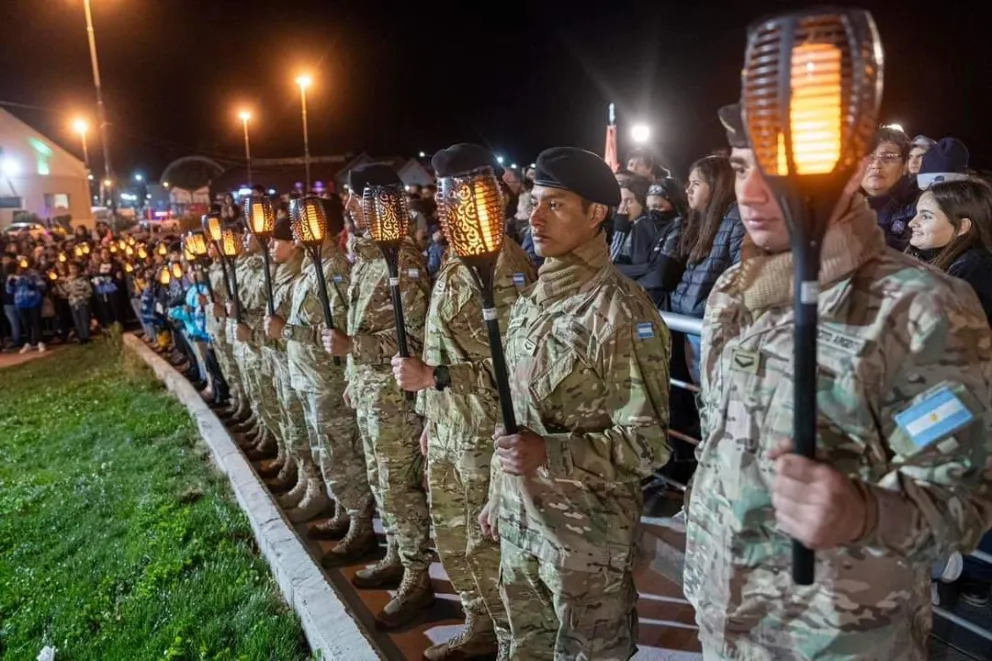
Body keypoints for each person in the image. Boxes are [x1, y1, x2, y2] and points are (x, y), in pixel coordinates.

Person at [685, 103, 992, 661]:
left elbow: (964, 502)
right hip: (723, 613)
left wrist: (860, 512)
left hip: (836, 636)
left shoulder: (920, 307)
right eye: (740, 167)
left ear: (848, 173)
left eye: (776, 170)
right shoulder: (734, 287)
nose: (750, 193)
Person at [481, 147, 671, 659]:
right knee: (524, 648)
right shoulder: (536, 297)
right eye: (535, 202)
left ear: (596, 214)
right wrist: (499, 494)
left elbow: (648, 445)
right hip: (524, 526)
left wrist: (551, 453)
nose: (535, 217)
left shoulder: (620, 311)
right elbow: (515, 409)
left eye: (556, 205)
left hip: (584, 544)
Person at [392, 144, 536, 660]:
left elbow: (514, 370)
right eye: (445, 197)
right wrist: (432, 415)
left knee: (487, 545)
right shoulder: (460, 258)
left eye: (456, 197)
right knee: (454, 541)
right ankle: (481, 627)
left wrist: (436, 377)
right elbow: (443, 342)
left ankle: (508, 641)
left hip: (483, 436)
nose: (446, 207)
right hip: (451, 427)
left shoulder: (503, 266)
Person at [321, 163, 433, 629]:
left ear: (377, 203)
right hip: (370, 391)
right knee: (379, 478)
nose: (347, 206)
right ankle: (393, 553)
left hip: (394, 400)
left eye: (355, 197)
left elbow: (412, 340)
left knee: (398, 486)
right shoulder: (368, 259)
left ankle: (417, 577)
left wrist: (354, 349)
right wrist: (352, 371)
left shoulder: (400, 262)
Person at [667, 154, 744, 383]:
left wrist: (712, 310)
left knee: (714, 394)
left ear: (717, 185)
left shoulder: (736, 218)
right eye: (688, 184)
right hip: (691, 322)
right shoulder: (702, 221)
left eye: (696, 183)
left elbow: (741, 276)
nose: (688, 190)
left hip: (713, 327)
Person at [908, 178, 992, 323]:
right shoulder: (920, 255)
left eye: (926, 216)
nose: (912, 223)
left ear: (962, 226)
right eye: (916, 214)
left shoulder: (974, 268)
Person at [862, 127, 919, 251]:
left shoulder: (919, 211)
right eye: (868, 157)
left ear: (905, 166)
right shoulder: (837, 206)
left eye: (888, 157)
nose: (876, 165)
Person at [610, 175, 661, 280]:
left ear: (643, 202)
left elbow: (643, 268)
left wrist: (613, 268)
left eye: (629, 201)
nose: (622, 207)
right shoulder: (635, 223)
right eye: (621, 201)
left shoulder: (643, 225)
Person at [7, 258, 46, 353]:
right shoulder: (11, 276)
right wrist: (11, 283)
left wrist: (29, 281)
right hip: (20, 302)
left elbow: (41, 284)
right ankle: (28, 342)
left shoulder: (31, 273)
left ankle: (40, 341)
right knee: (25, 323)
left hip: (33, 300)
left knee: (36, 322)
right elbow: (9, 291)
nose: (18, 270)